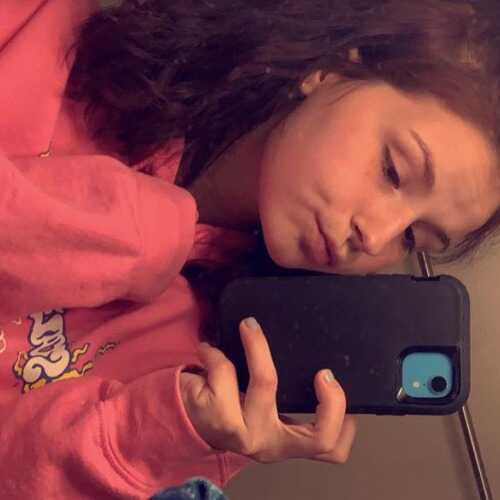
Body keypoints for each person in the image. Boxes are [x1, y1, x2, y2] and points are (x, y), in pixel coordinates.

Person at [0, 0, 499, 498]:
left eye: (413, 238)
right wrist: (138, 230)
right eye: (393, 170)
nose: (376, 235)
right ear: (331, 72)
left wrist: (158, 432)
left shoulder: (221, 378)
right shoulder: (44, 27)